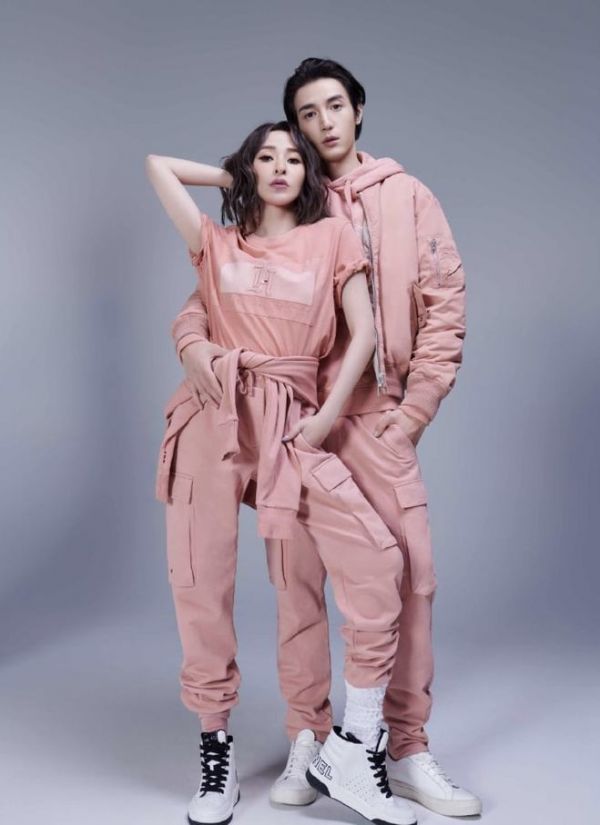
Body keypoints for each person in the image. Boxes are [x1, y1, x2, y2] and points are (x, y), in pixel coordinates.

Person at [172, 59, 482, 819]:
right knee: (297, 581)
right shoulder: (285, 199)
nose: (323, 124)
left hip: (372, 415)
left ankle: (401, 745)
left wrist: (413, 413)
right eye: (306, 114)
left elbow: (446, 305)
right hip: (290, 416)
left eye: (334, 106)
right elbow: (210, 295)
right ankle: (310, 737)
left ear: (359, 110)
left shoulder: (405, 197)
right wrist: (191, 343)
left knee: (408, 572)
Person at [146, 121, 418, 825]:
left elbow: (364, 333)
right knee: (201, 582)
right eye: (265, 157)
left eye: (293, 158)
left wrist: (324, 419)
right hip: (211, 414)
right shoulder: (218, 243)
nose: (279, 167)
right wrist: (234, 175)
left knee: (371, 561)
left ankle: (346, 746)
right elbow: (157, 166)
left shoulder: (332, 237)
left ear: (309, 174)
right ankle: (216, 747)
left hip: (291, 425)